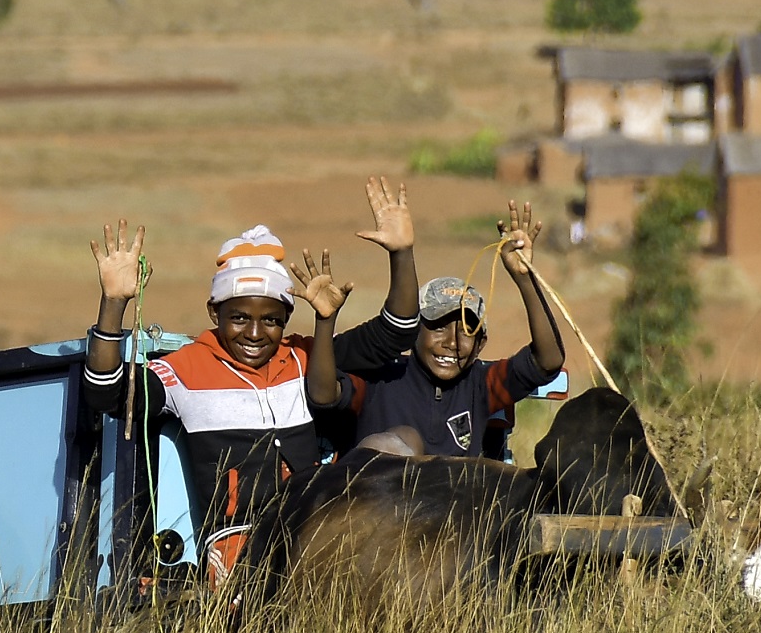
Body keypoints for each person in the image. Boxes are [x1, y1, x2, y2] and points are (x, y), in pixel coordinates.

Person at [82, 178, 419, 580]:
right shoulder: (186, 370)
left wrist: (402, 254)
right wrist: (114, 303)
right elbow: (106, 394)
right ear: (214, 313)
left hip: (318, 523)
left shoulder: (304, 356)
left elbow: (396, 333)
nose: (256, 334)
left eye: (272, 321)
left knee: (399, 443)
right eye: (239, 318)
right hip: (242, 546)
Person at [307, 200, 565, 459]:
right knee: (398, 443)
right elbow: (323, 395)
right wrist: (325, 321)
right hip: (378, 495)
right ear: (414, 332)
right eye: (438, 326)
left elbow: (548, 360)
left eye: (466, 330)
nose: (451, 342)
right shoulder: (380, 379)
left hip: (455, 499)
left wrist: (525, 278)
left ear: (481, 344)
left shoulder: (480, 385)